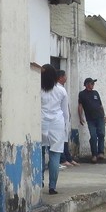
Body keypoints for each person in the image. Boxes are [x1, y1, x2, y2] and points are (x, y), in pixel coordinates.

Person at [41, 64, 69, 195]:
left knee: (40, 153)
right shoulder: (61, 90)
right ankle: (52, 186)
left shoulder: (38, 89)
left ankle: (39, 180)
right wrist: (66, 129)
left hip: (41, 123)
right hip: (57, 124)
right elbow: (65, 112)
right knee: (55, 155)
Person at [78, 77, 106, 164]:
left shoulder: (96, 93)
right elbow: (80, 106)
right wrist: (80, 117)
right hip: (90, 119)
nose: (93, 85)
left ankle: (101, 152)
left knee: (101, 134)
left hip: (100, 117)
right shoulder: (82, 94)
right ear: (87, 84)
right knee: (93, 137)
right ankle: (94, 154)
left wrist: (104, 115)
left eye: (93, 83)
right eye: (91, 83)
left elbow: (100, 105)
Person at [57, 70, 78, 167]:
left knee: (65, 139)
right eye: (65, 76)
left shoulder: (62, 88)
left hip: (64, 119)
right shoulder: (58, 88)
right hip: (59, 119)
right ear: (60, 77)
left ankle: (68, 158)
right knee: (60, 140)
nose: (66, 78)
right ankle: (62, 159)